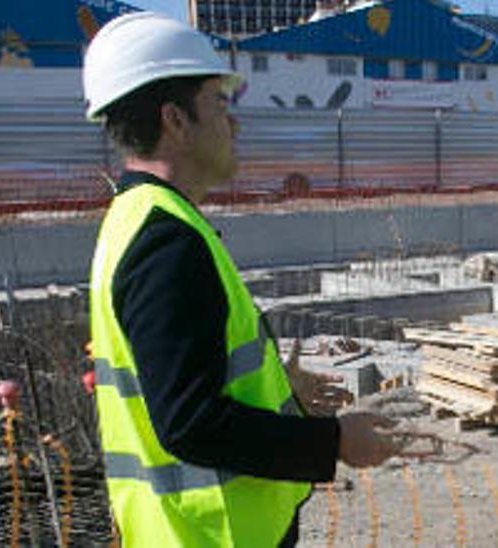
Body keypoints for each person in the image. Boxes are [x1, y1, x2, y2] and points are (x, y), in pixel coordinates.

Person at [81, 13, 397, 547]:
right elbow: (190, 422)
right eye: (220, 103)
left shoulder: (140, 218)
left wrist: (279, 384)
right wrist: (336, 439)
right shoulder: (166, 242)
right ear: (176, 121)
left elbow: (184, 378)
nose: (235, 123)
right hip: (212, 535)